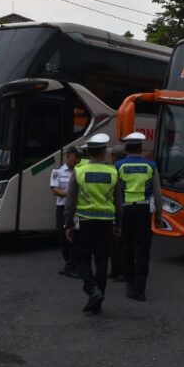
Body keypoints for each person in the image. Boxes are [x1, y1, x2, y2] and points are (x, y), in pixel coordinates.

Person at [64, 133, 123, 315]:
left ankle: (92, 290)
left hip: (84, 222)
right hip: (105, 224)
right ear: (104, 152)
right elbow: (118, 202)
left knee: (81, 259)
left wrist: (67, 224)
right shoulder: (113, 172)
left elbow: (71, 201)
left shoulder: (79, 171)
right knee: (102, 261)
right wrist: (119, 224)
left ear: (88, 152)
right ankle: (98, 302)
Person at [115, 132, 164, 302]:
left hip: (125, 211)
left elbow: (115, 193)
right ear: (141, 148)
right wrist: (159, 214)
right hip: (144, 212)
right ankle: (140, 290)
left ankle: (130, 284)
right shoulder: (151, 166)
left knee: (126, 249)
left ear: (126, 148)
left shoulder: (118, 165)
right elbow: (158, 193)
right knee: (142, 252)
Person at [50, 146, 81, 278]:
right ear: (68, 155)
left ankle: (71, 266)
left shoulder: (80, 171)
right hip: (62, 208)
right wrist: (69, 195)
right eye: (76, 157)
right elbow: (54, 190)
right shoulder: (58, 171)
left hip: (76, 209)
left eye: (79, 157)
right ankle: (69, 263)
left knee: (74, 237)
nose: (78, 160)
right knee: (62, 237)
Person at [108, 144, 127, 283]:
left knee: (118, 242)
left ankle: (120, 271)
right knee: (116, 242)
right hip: (128, 207)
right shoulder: (123, 167)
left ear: (114, 156)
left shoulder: (115, 169)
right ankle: (116, 270)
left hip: (118, 208)